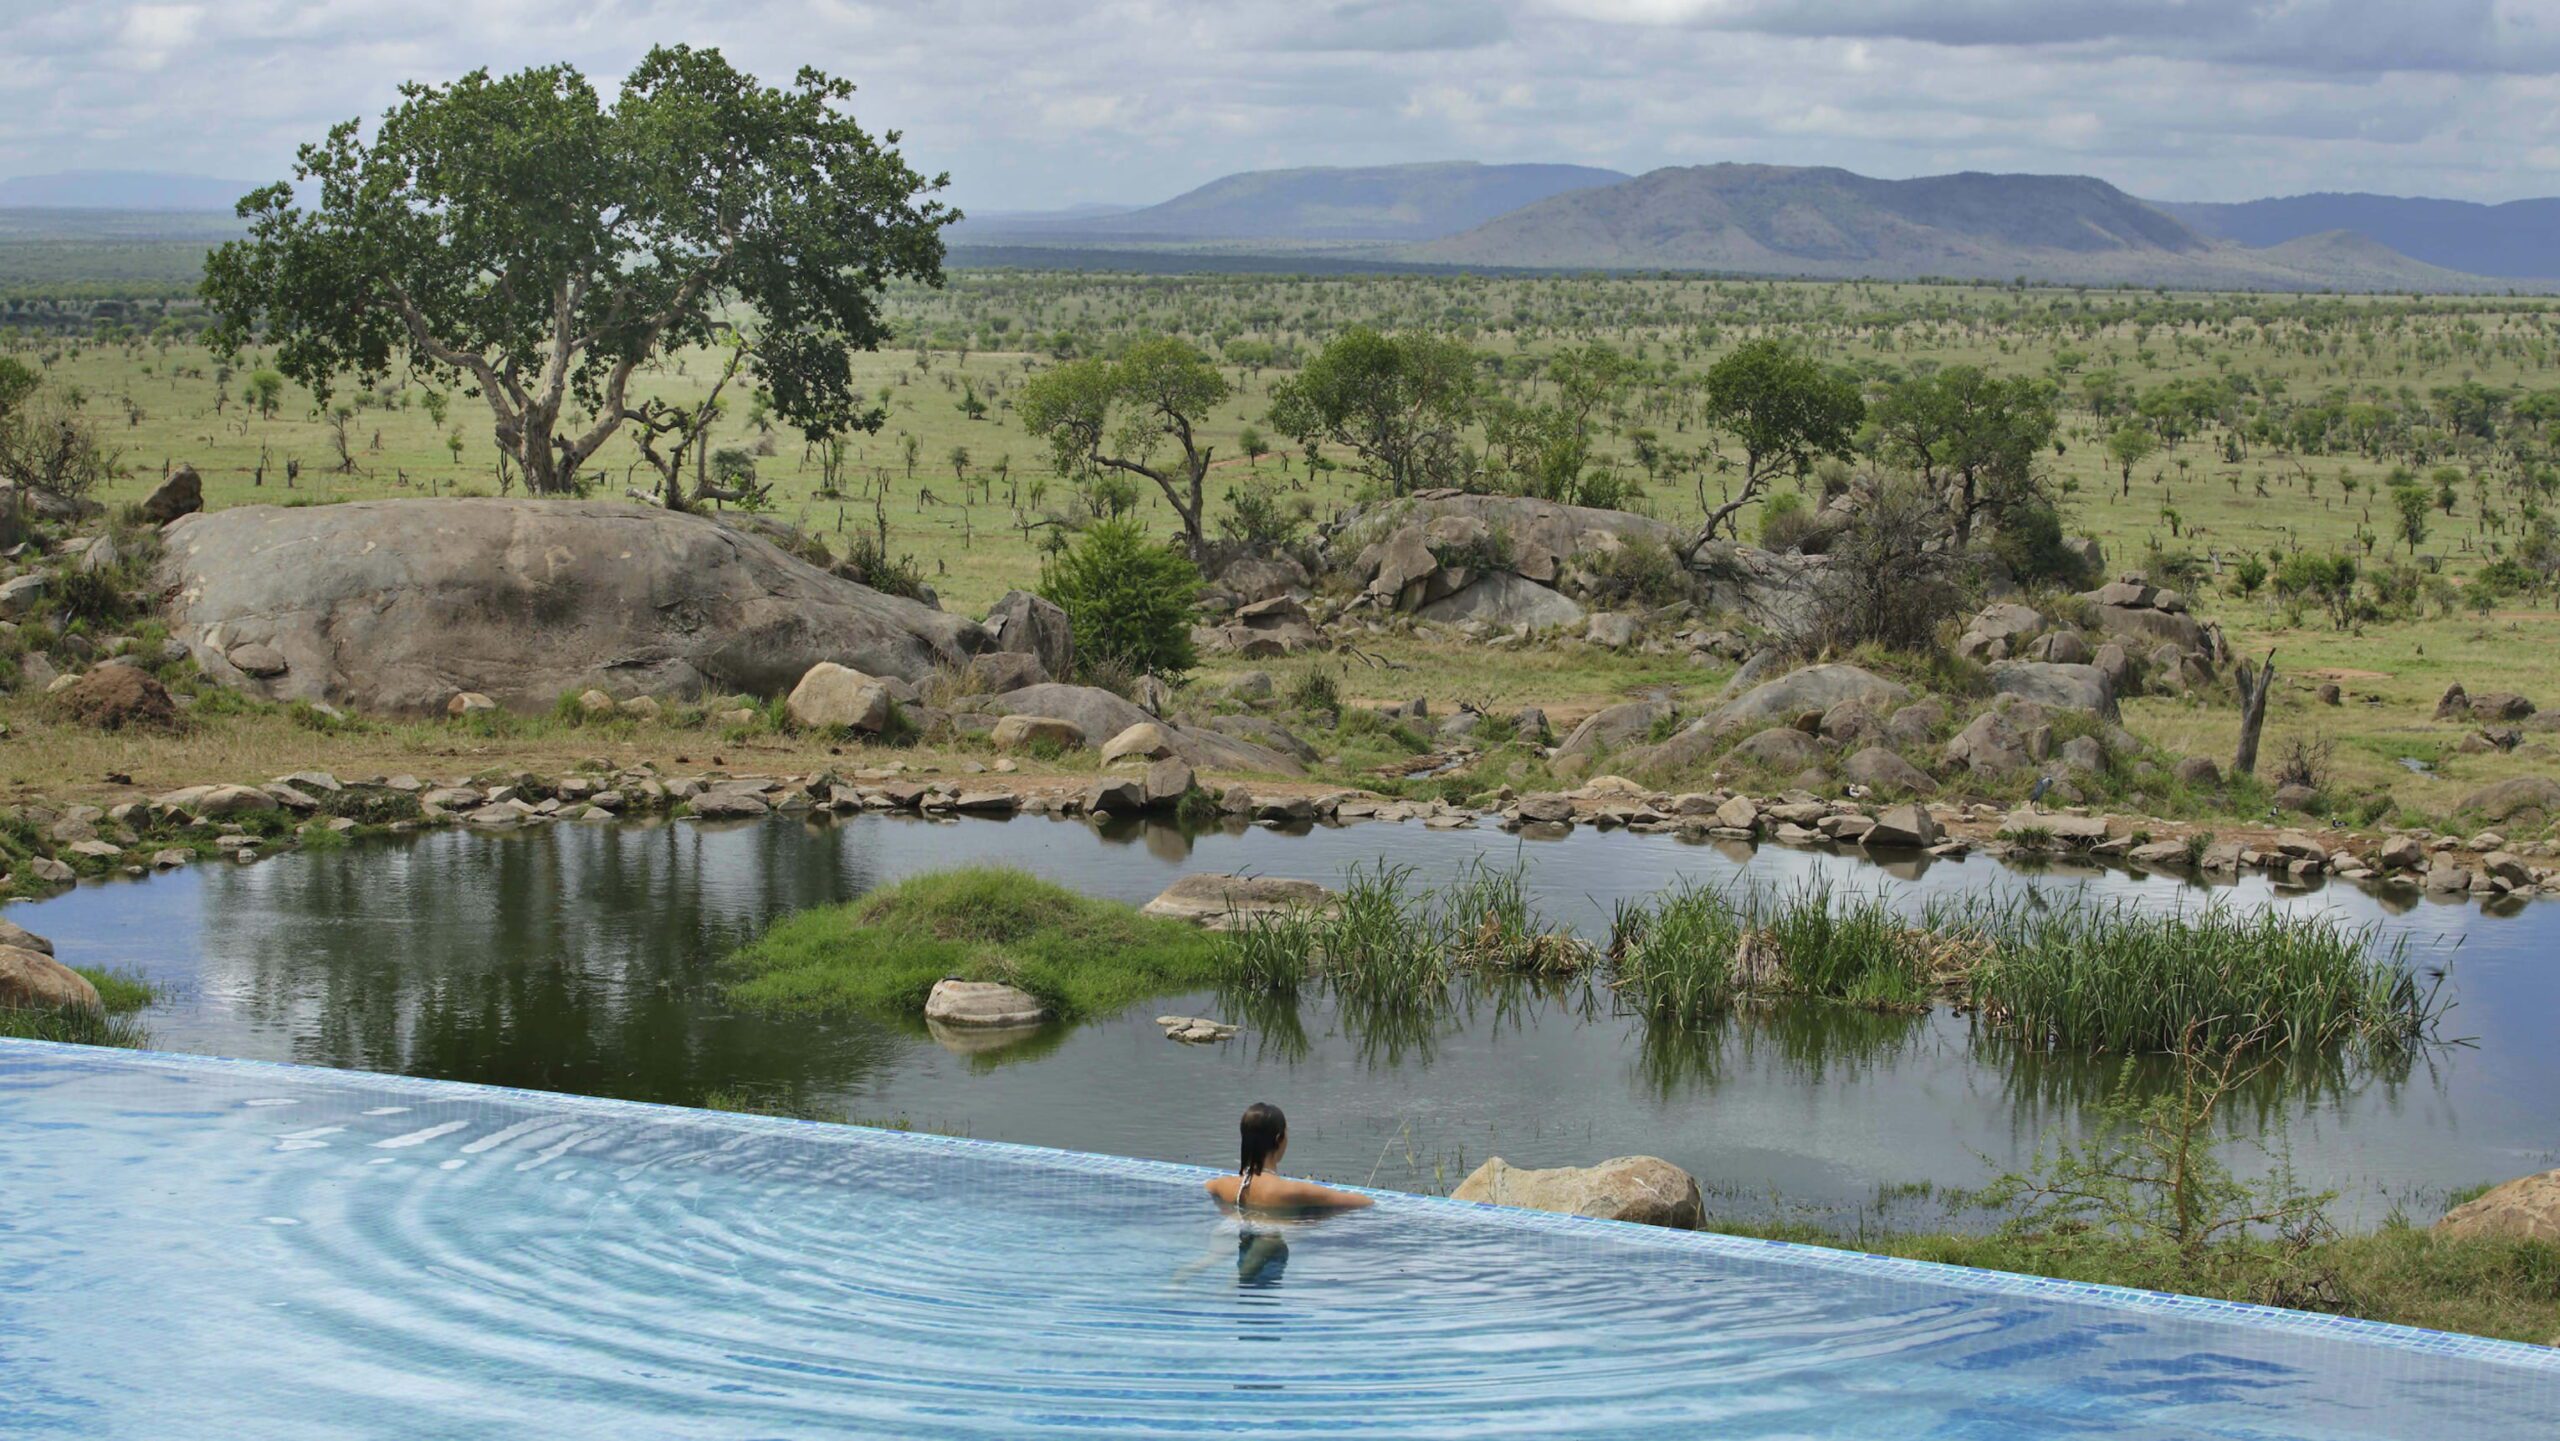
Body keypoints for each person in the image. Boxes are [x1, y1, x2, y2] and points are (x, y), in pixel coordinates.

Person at [1203, 1102, 1372, 1214]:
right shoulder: (1293, 1191)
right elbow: (1363, 1202)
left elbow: (1207, 1187)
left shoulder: (1221, 1185)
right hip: (1270, 1247)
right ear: (1279, 1139)